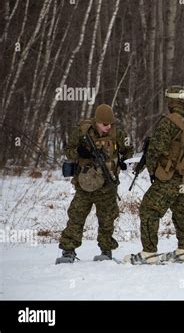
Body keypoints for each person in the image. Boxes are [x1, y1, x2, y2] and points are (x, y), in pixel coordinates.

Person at [124, 85, 184, 264]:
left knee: (149, 209)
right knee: (182, 212)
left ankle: (149, 254)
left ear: (169, 101)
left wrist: (154, 172)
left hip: (170, 178)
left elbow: (154, 151)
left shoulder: (168, 121)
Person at [57, 104, 133, 263]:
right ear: (96, 122)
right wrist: (79, 152)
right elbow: (68, 150)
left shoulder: (117, 133)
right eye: (105, 124)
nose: (108, 127)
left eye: (110, 124)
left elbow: (128, 150)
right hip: (84, 184)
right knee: (76, 216)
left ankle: (106, 251)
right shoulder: (82, 131)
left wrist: (123, 160)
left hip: (107, 185)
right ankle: (68, 251)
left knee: (107, 219)